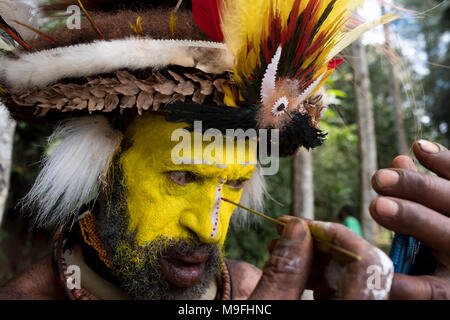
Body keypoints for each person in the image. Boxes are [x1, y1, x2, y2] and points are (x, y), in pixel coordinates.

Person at [0, 0, 448, 300]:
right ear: (102, 165)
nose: (211, 230)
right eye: (183, 176)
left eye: (233, 183)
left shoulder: (251, 288)